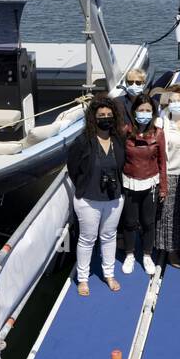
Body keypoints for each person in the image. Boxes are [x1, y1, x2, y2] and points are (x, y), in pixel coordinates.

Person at [66, 95, 126, 297]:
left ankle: (109, 274)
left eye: (109, 115)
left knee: (109, 237)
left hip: (114, 198)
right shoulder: (82, 142)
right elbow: (73, 169)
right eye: (101, 115)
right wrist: (85, 185)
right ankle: (83, 278)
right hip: (88, 200)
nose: (106, 118)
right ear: (94, 117)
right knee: (87, 239)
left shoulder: (118, 140)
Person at [118, 95, 168, 276]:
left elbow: (162, 161)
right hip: (130, 183)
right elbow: (119, 157)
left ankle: (147, 255)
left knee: (148, 222)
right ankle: (130, 254)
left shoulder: (158, 133)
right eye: (141, 110)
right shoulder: (125, 131)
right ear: (134, 112)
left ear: (153, 113)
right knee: (130, 222)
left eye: (148, 111)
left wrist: (163, 186)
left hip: (151, 184)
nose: (144, 114)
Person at [156, 84, 180, 268]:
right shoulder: (161, 122)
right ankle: (171, 250)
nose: (176, 104)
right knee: (168, 214)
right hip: (169, 173)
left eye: (179, 100)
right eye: (172, 101)